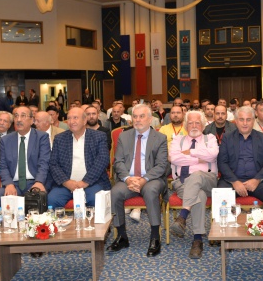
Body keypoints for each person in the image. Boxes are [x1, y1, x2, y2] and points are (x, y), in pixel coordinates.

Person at [0, 106, 50, 258]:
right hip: (13, 184)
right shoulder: (6, 140)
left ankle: (35, 243)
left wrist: (39, 181)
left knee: (36, 196)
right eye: (16, 116)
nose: (19, 119)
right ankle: (3, 242)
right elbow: (2, 166)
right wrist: (8, 183)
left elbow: (44, 162)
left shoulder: (41, 137)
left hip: (34, 182)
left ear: (31, 120)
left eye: (23, 116)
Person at [110, 104, 169, 257]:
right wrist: (128, 179)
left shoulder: (160, 138)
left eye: (141, 116)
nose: (137, 120)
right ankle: (122, 236)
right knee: (115, 192)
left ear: (150, 119)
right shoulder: (124, 136)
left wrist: (144, 179)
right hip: (128, 179)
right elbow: (118, 162)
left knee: (151, 191)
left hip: (152, 179)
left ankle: (155, 237)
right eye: (135, 117)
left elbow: (161, 166)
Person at [169, 111, 219, 259]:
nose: (194, 125)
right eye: (190, 123)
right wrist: (199, 158)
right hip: (182, 182)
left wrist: (189, 152)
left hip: (208, 179)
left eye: (197, 122)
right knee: (199, 195)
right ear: (185, 125)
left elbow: (212, 155)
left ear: (203, 125)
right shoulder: (178, 140)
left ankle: (183, 215)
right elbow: (174, 159)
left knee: (196, 175)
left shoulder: (210, 138)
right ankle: (197, 240)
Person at [46, 107, 110, 209]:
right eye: (69, 118)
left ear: (84, 120)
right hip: (66, 185)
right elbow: (53, 164)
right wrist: (66, 182)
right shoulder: (60, 138)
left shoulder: (98, 136)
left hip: (92, 183)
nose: (72, 121)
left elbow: (102, 160)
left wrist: (85, 182)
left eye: (75, 118)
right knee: (52, 200)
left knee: (95, 199)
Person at [216, 106, 263, 209]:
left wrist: (256, 180)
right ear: (236, 121)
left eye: (248, 120)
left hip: (257, 181)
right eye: (241, 120)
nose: (245, 123)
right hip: (232, 181)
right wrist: (235, 182)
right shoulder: (227, 137)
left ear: (253, 121)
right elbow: (222, 163)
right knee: (221, 193)